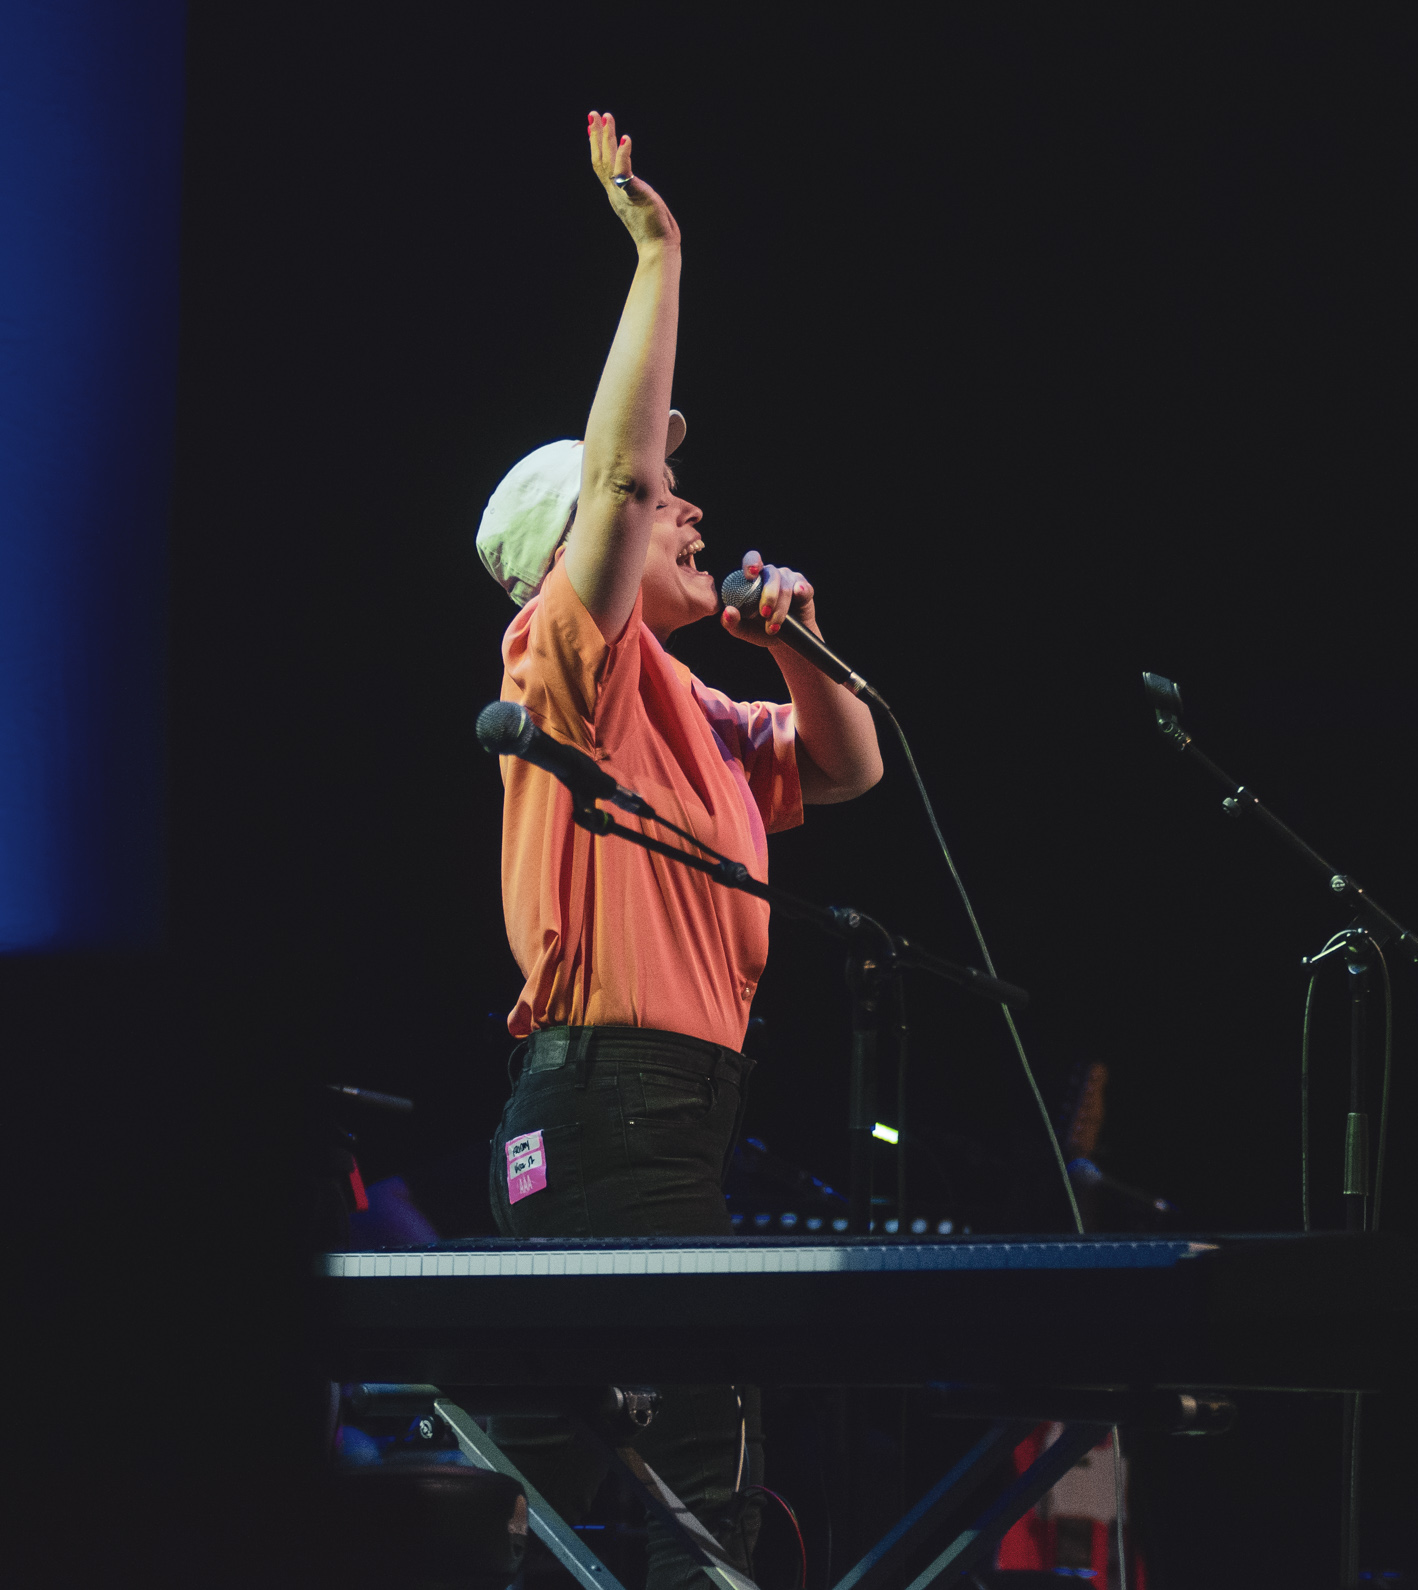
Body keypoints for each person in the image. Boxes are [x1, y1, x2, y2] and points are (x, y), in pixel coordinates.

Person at [472, 111, 883, 1586]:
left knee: (627, 1509)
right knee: (687, 1508)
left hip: (659, 1129)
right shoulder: (565, 664)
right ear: (583, 546)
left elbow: (850, 763)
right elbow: (622, 481)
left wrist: (807, 648)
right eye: (656, 504)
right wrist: (661, 251)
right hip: (612, 1121)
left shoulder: (696, 705)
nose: (686, 506)